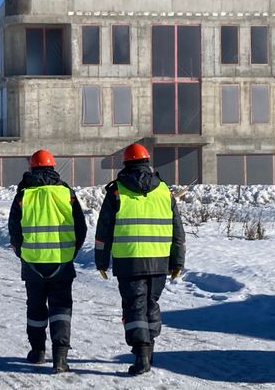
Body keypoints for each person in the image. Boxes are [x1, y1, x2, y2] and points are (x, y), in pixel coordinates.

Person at [94, 143, 186, 375]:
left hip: (129, 260)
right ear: (147, 163)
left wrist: (101, 260)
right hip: (159, 261)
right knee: (151, 304)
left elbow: (104, 230)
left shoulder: (117, 191)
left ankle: (142, 355)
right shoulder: (164, 190)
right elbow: (177, 230)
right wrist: (177, 261)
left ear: (126, 164)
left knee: (135, 306)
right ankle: (149, 347)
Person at [8, 149, 87, 373]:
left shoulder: (24, 195)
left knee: (35, 308)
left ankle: (38, 352)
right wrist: (72, 252)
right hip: (62, 264)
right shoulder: (66, 193)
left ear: (32, 168)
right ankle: (60, 358)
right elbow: (81, 227)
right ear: (53, 168)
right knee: (61, 309)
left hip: (32, 264)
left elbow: (14, 230)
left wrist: (22, 252)